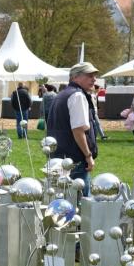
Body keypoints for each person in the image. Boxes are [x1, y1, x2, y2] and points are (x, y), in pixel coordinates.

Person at [45, 62, 99, 197]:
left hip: (59, 157)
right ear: (75, 77)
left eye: (94, 76)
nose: (94, 79)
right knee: (80, 205)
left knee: (62, 201)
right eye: (89, 75)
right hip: (74, 160)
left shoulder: (61, 95)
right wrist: (88, 156)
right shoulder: (77, 96)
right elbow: (78, 130)